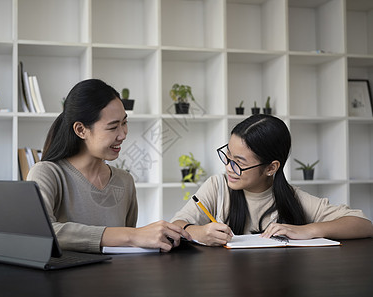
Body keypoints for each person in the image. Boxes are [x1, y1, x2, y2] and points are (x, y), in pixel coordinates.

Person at [27, 79, 191, 253]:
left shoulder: (125, 181)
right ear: (81, 130)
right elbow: (42, 232)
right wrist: (131, 235)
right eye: (113, 127)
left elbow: (125, 251)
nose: (122, 135)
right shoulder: (47, 173)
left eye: (124, 123)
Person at [172, 114, 373, 246]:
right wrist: (197, 231)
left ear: (271, 168)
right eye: (228, 156)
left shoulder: (292, 198)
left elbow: (363, 224)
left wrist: (307, 230)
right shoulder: (218, 187)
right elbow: (177, 224)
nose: (228, 167)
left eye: (239, 162)